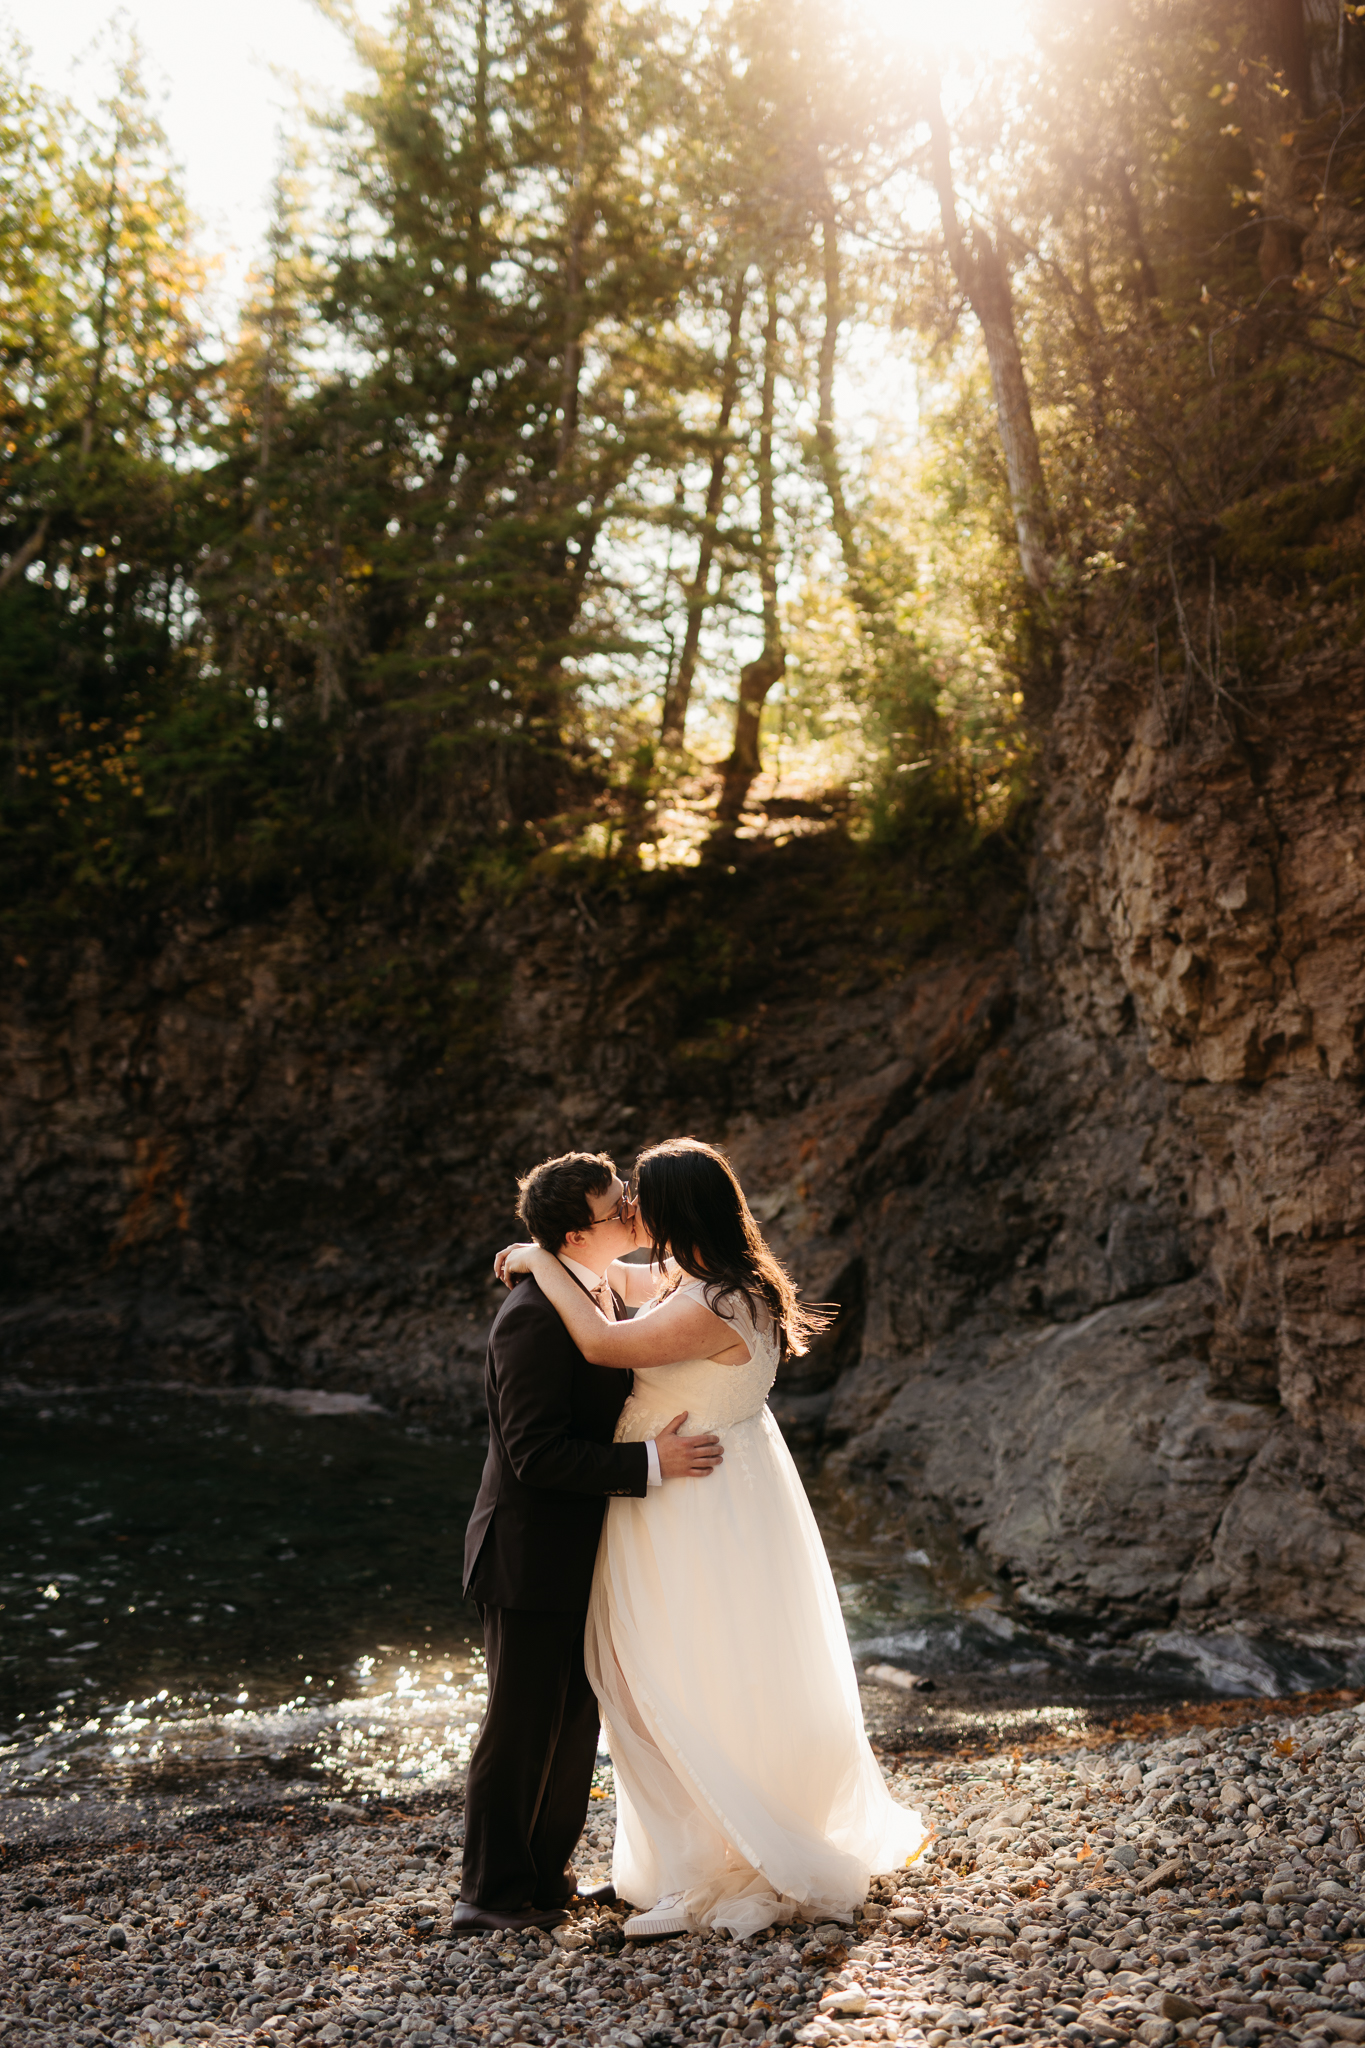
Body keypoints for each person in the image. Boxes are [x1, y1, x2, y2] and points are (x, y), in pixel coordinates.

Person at [495, 1136, 927, 1942]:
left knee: (675, 1677)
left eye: (639, 1199)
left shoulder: (717, 1303)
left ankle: (720, 1857)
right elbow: (617, 1280)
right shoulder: (707, 1279)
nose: (629, 1209)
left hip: (689, 1505)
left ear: (674, 1212)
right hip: (707, 1495)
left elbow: (599, 1341)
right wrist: (552, 1253)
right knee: (686, 1672)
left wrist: (535, 1258)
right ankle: (691, 1848)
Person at [455, 1150, 725, 1935]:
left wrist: (531, 1253)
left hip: (581, 1550)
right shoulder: (534, 1318)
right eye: (619, 1207)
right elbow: (533, 1453)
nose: (634, 1213)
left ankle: (544, 1881)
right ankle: (488, 1895)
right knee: (519, 1727)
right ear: (579, 1233)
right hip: (528, 1555)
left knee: (573, 1723)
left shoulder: (590, 1287)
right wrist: (651, 1462)